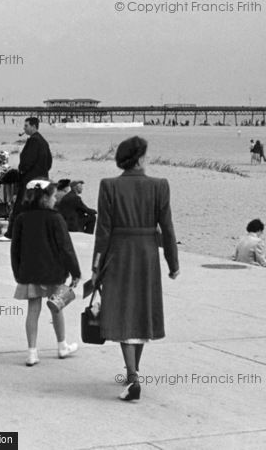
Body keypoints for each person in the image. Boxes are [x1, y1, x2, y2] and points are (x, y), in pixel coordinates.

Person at [91, 136, 179, 401]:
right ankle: (133, 372)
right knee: (140, 310)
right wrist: (173, 263)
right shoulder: (159, 186)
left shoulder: (109, 186)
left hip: (118, 252)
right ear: (140, 158)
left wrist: (96, 267)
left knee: (121, 310)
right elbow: (167, 227)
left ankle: (132, 376)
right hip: (146, 254)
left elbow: (102, 231)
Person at [11, 180, 82, 366]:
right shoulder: (55, 218)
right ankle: (61, 345)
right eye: (52, 195)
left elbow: (15, 249)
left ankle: (32, 353)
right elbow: (66, 248)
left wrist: (17, 272)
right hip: (53, 270)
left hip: (29, 271)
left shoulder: (21, 218)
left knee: (33, 310)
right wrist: (75, 272)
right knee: (56, 307)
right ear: (45, 198)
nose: (55, 198)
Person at [0, 117, 53, 241]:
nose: (24, 128)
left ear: (34, 126)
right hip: (43, 179)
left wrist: (22, 170)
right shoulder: (43, 141)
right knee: (38, 207)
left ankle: (11, 234)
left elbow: (27, 160)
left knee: (19, 206)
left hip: (30, 180)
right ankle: (37, 233)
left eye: (26, 126)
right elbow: (49, 161)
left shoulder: (33, 141)